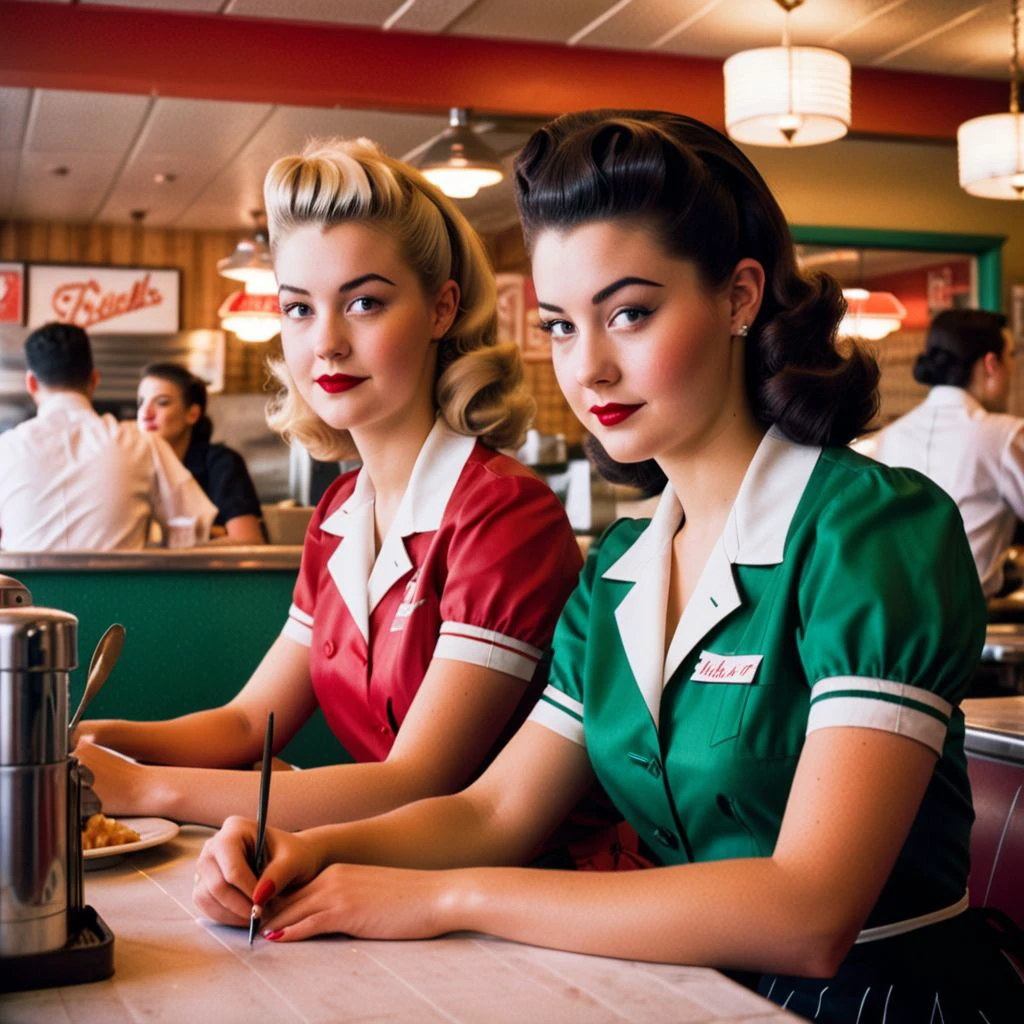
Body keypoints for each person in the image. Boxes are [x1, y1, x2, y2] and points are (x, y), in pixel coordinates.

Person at [193, 112, 1023, 1023]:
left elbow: (808, 911)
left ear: (740, 297)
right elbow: (494, 813)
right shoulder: (622, 564)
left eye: (630, 312)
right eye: (558, 324)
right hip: (681, 991)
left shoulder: (873, 529)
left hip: (881, 1003)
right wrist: (307, 849)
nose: (587, 366)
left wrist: (447, 897)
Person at [75, 137, 584, 835]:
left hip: (513, 894)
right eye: (299, 309)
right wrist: (94, 741)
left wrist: (144, 790)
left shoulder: (502, 512)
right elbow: (248, 722)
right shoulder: (341, 511)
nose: (327, 343)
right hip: (383, 874)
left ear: (441, 309)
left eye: (365, 303)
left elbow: (420, 783)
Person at [0, 322, 217, 551]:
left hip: (25, 588)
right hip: (121, 587)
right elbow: (190, 532)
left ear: (31, 383)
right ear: (94, 380)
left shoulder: (6, 448)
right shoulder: (144, 444)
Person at [855, 309, 1024, 596]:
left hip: (894, 617)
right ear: (991, 363)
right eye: (1010, 355)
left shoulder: (882, 441)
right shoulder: (1003, 436)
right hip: (971, 624)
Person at [137, 363, 266, 545]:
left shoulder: (221, 463)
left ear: (192, 414)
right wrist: (209, 533)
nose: (145, 413)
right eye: (141, 402)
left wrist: (174, 542)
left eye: (162, 402)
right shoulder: (133, 465)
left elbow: (249, 541)